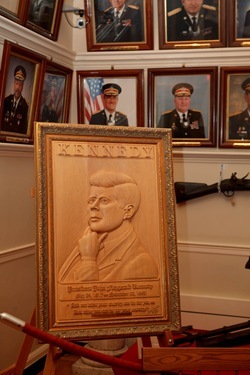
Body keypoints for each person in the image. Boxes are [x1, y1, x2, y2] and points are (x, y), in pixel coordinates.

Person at [58, 170, 159, 283]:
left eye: (104, 201)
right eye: (91, 200)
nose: (93, 206)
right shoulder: (88, 240)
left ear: (128, 211)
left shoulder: (141, 264)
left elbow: (88, 296)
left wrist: (88, 261)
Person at [1, 65, 29, 134]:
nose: (18, 88)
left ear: (22, 87)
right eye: (16, 84)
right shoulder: (6, 101)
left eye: (20, 85)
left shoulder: (24, 106)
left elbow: (24, 129)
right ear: (14, 84)